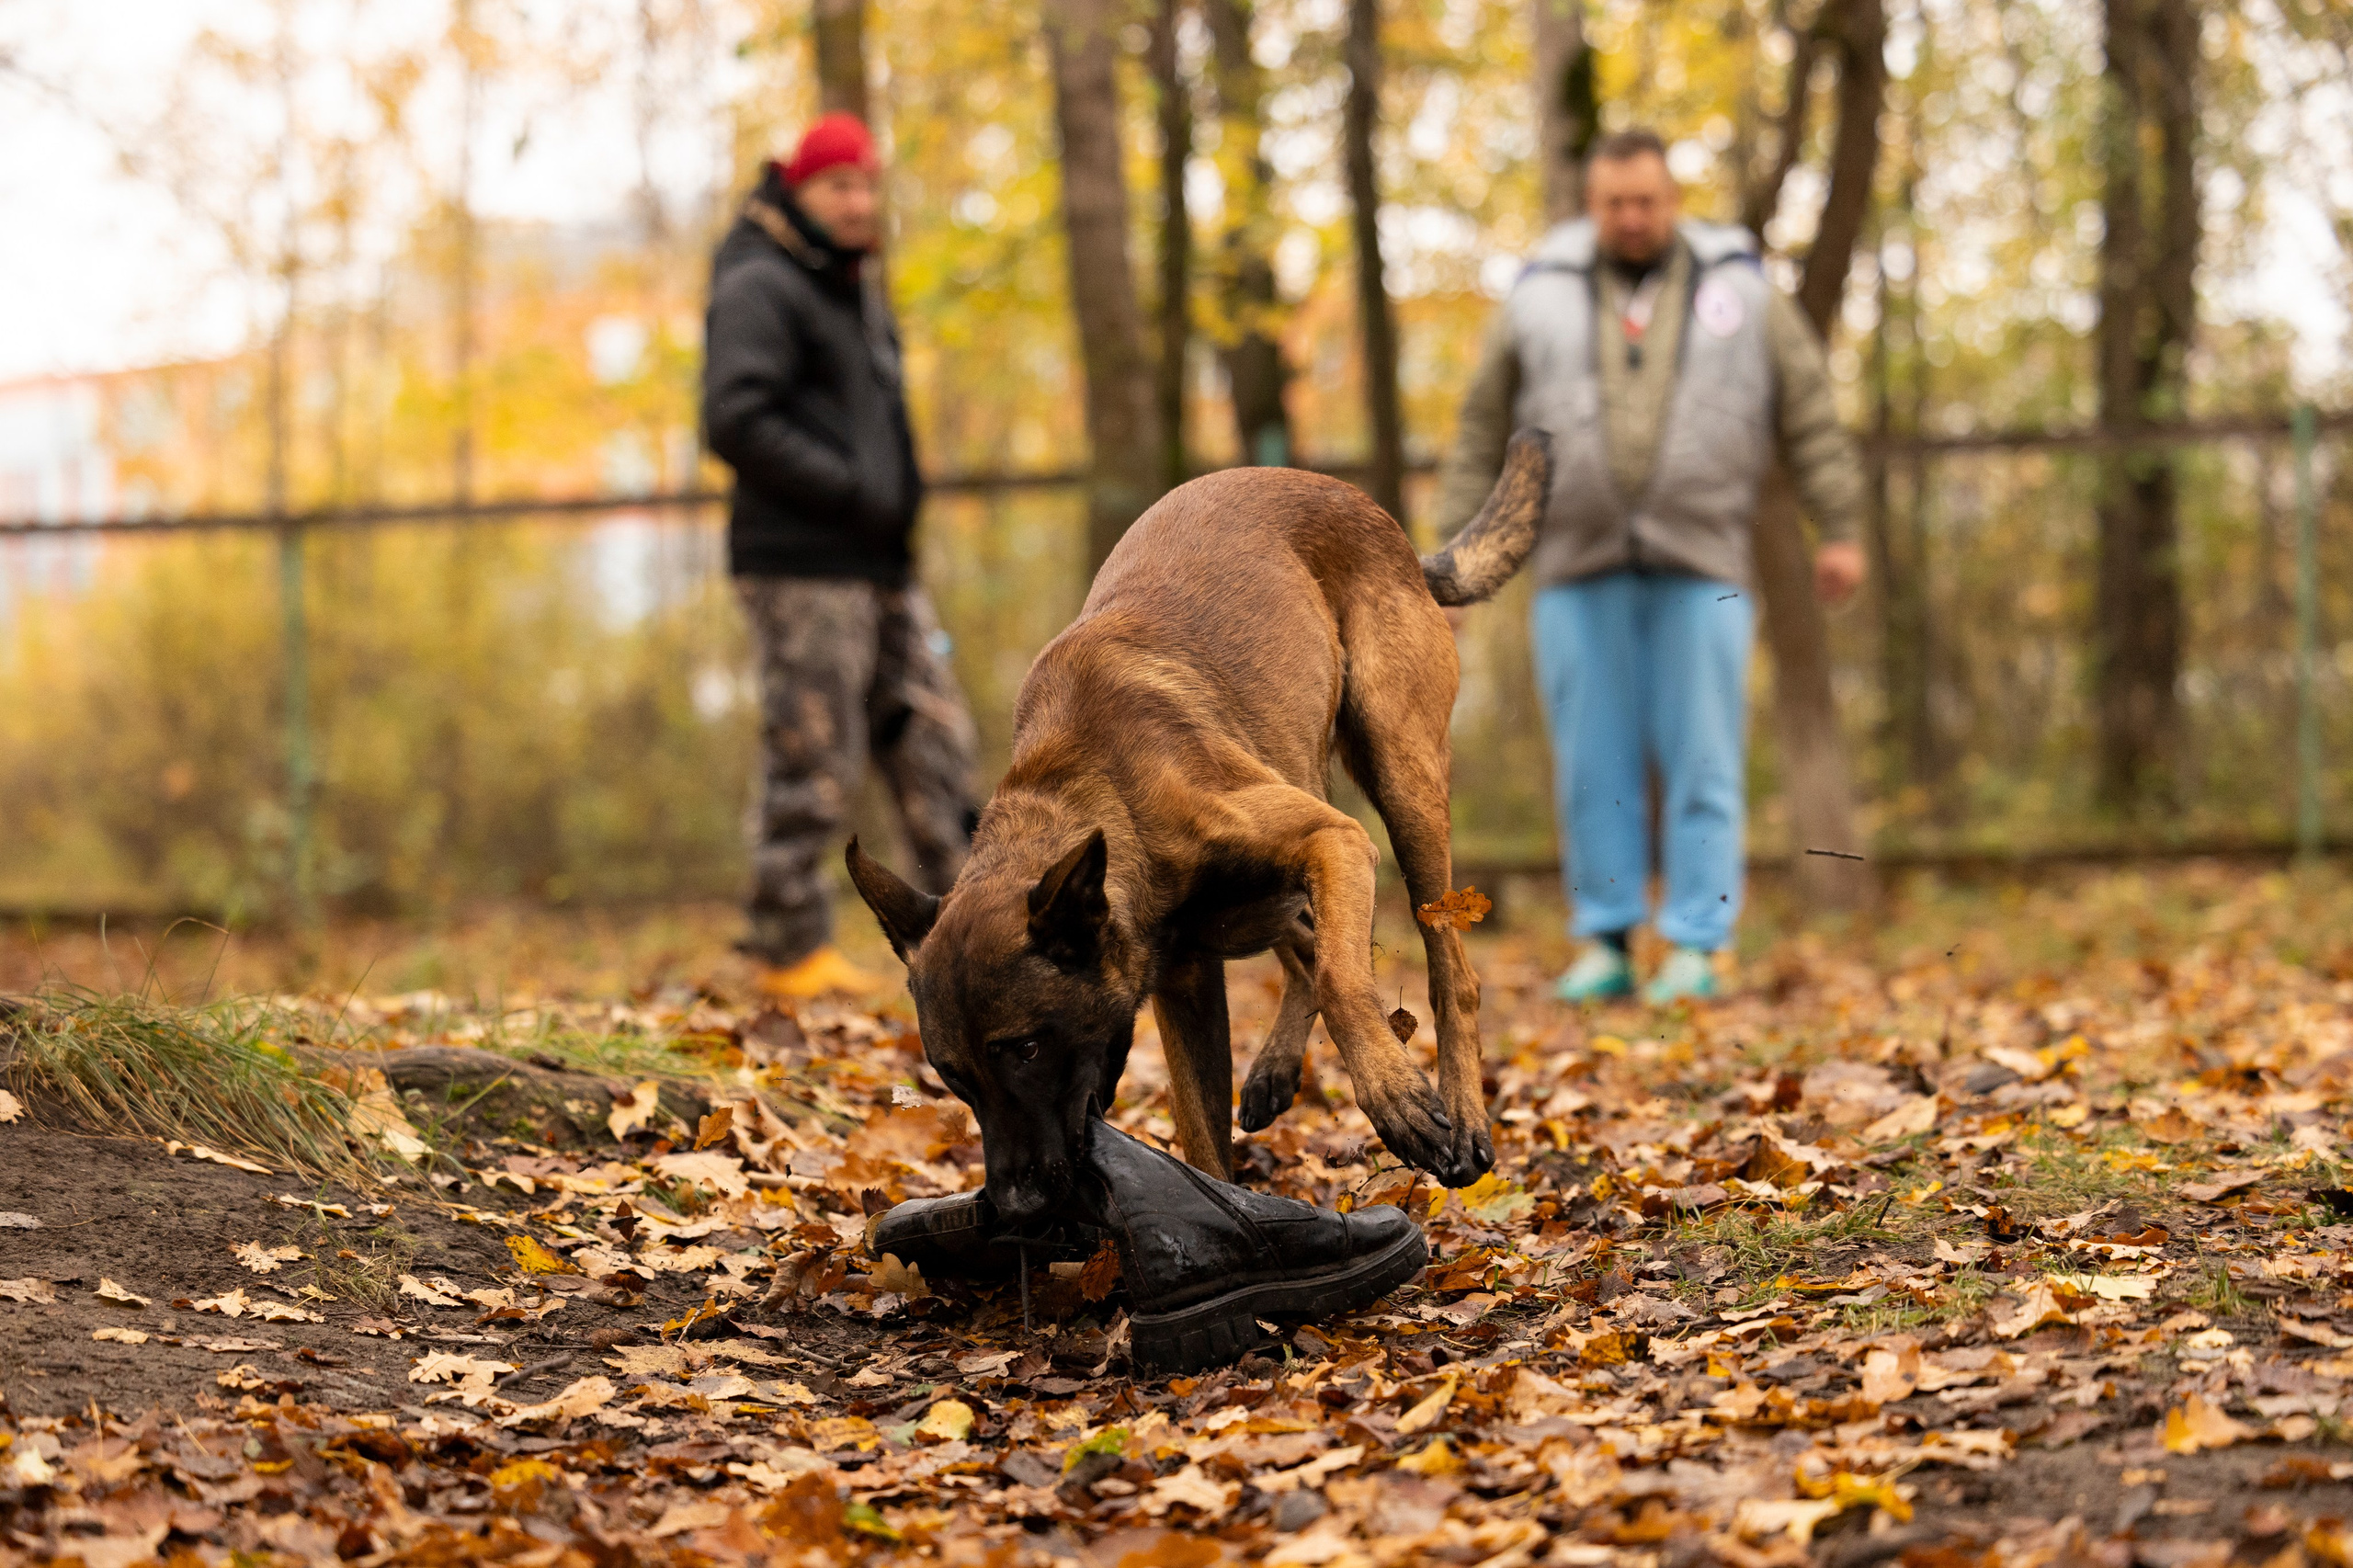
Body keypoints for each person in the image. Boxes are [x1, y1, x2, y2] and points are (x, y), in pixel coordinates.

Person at [1431, 129, 1865, 1006]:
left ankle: (1699, 942)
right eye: (1615, 203)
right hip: (1573, 564)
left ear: (1673, 201)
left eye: (1647, 201)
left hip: (1704, 559)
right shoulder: (1537, 296)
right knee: (1592, 765)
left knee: (1705, 755)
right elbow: (1480, 431)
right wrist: (1456, 568)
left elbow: (1810, 410)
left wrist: (1841, 525)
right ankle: (1607, 940)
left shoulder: (1742, 288)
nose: (1632, 217)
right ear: (1591, 206)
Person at [702, 113, 979, 1000]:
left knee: (937, 742)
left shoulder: (848, 285)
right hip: (802, 564)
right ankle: (787, 950)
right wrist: (852, 490)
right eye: (839, 186)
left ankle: (975, 933)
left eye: (867, 185)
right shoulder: (763, 283)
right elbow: (734, 418)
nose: (858, 203)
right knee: (814, 755)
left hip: (880, 566)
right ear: (800, 189)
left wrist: (887, 511)